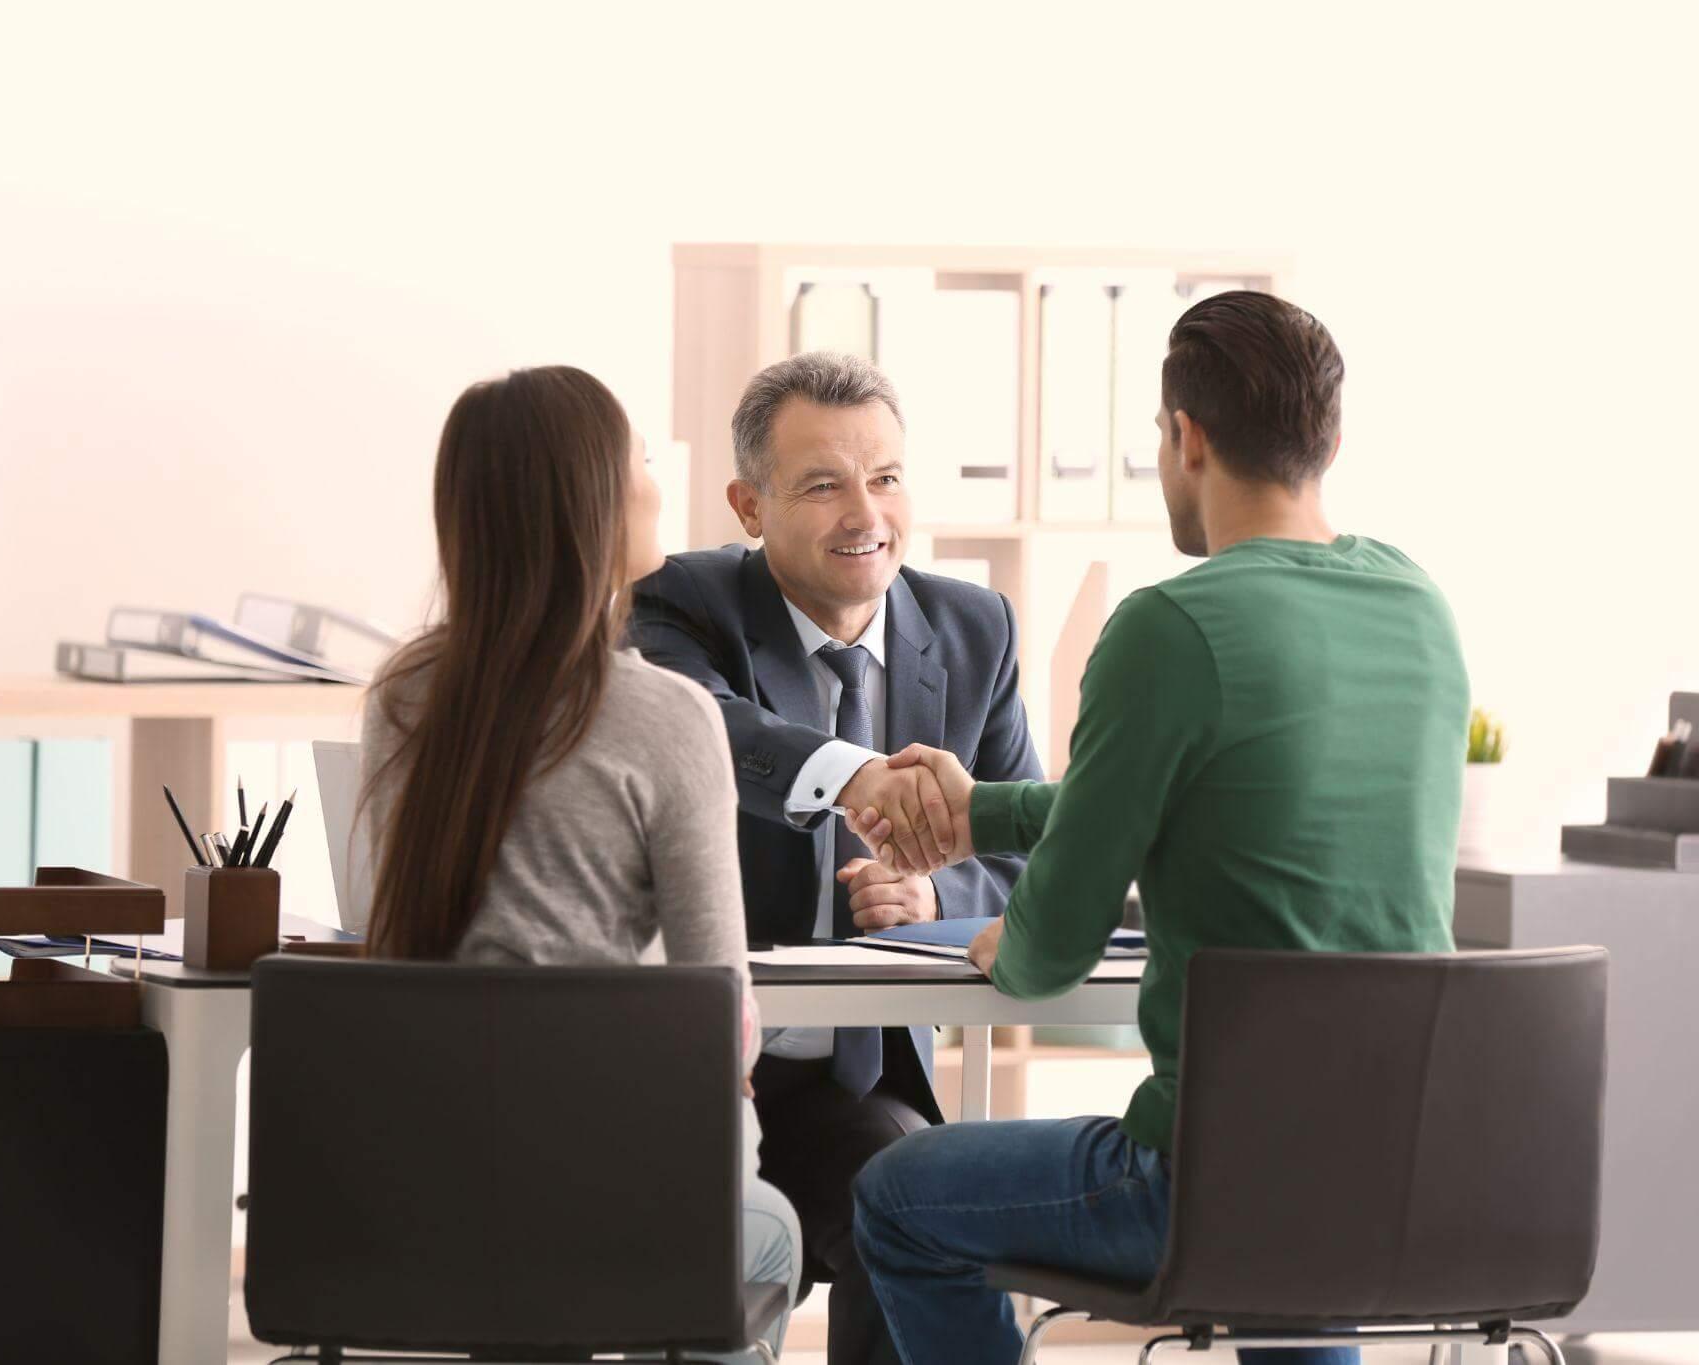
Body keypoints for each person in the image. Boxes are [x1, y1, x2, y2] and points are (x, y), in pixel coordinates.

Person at [848, 294, 1471, 1365]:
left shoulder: (1172, 625)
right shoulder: (1416, 605)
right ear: (1327, 435)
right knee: (1298, 1217)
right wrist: (980, 814)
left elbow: (1045, 960)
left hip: (1208, 1184)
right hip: (1394, 1172)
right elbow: (1219, 802)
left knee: (897, 1196)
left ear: (1183, 436)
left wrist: (1012, 932)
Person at [359, 365, 799, 1361]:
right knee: (765, 1233)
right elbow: (717, 1006)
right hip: (599, 1180)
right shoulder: (664, 714)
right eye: (638, 459)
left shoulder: (402, 695)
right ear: (592, 504)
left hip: (416, 1175)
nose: (653, 480)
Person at [631, 351, 1043, 1365]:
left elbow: (1030, 860)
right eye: (821, 484)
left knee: (907, 1189)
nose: (865, 512)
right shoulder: (685, 604)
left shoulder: (972, 627)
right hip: (684, 1068)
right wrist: (850, 776)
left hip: (844, 1084)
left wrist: (934, 890)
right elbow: (698, 727)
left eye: (886, 478)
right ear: (748, 503)